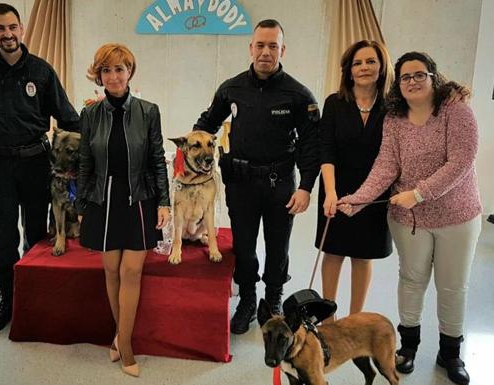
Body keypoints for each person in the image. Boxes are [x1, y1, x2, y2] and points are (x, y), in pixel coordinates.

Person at [339, 51, 481, 385]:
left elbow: (461, 161)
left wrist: (419, 193)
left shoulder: (456, 111)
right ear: (397, 84)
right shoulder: (394, 118)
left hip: (457, 217)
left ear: (434, 77)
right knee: (412, 281)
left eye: (420, 75)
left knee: (452, 287)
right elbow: (387, 165)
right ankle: (409, 347)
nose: (413, 82)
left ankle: (450, 353)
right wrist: (361, 198)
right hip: (409, 221)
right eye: (405, 77)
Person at [0, 3, 80, 334]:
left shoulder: (41, 70)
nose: (7, 34)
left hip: (37, 162)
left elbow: (67, 117)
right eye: (0, 28)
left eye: (12, 27)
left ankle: (35, 297)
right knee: (1, 236)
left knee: (37, 233)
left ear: (21, 29)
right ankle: (7, 299)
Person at [194, 19, 320, 334]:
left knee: (278, 247)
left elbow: (311, 145)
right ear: (251, 48)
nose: (266, 52)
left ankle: (274, 301)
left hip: (280, 185)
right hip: (241, 182)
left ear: (282, 50)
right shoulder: (230, 88)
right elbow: (207, 123)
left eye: (273, 46)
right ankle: (248, 301)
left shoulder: (298, 94)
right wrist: (190, 152)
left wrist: (305, 187)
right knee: (245, 246)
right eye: (260, 45)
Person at [76, 43, 170, 377]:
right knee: (111, 270)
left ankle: (125, 344)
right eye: (106, 70)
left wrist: (164, 202)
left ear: (130, 71)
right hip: (103, 197)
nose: (113, 76)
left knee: (131, 271)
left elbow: (157, 159)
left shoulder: (148, 111)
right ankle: (118, 335)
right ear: (99, 75)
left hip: (138, 198)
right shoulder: (89, 115)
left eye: (120, 69)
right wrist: (82, 205)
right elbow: (85, 161)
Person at [316, 40, 394, 321]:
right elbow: (327, 150)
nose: (364, 68)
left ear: (382, 67)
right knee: (334, 252)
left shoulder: (393, 106)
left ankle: (355, 320)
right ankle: (328, 316)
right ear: (348, 70)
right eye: (357, 63)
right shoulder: (334, 103)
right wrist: (330, 192)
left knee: (363, 255)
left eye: (370, 61)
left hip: (376, 191)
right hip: (337, 186)